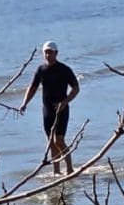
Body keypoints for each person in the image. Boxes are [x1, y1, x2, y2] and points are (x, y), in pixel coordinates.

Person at [18, 41, 80, 175]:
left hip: (62, 110)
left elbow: (76, 88)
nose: (48, 55)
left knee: (59, 140)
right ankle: (56, 171)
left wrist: (64, 102)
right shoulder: (41, 70)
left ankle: (70, 169)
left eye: (50, 52)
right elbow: (32, 88)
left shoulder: (64, 69)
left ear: (56, 53)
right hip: (47, 110)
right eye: (46, 52)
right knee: (51, 142)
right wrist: (24, 103)